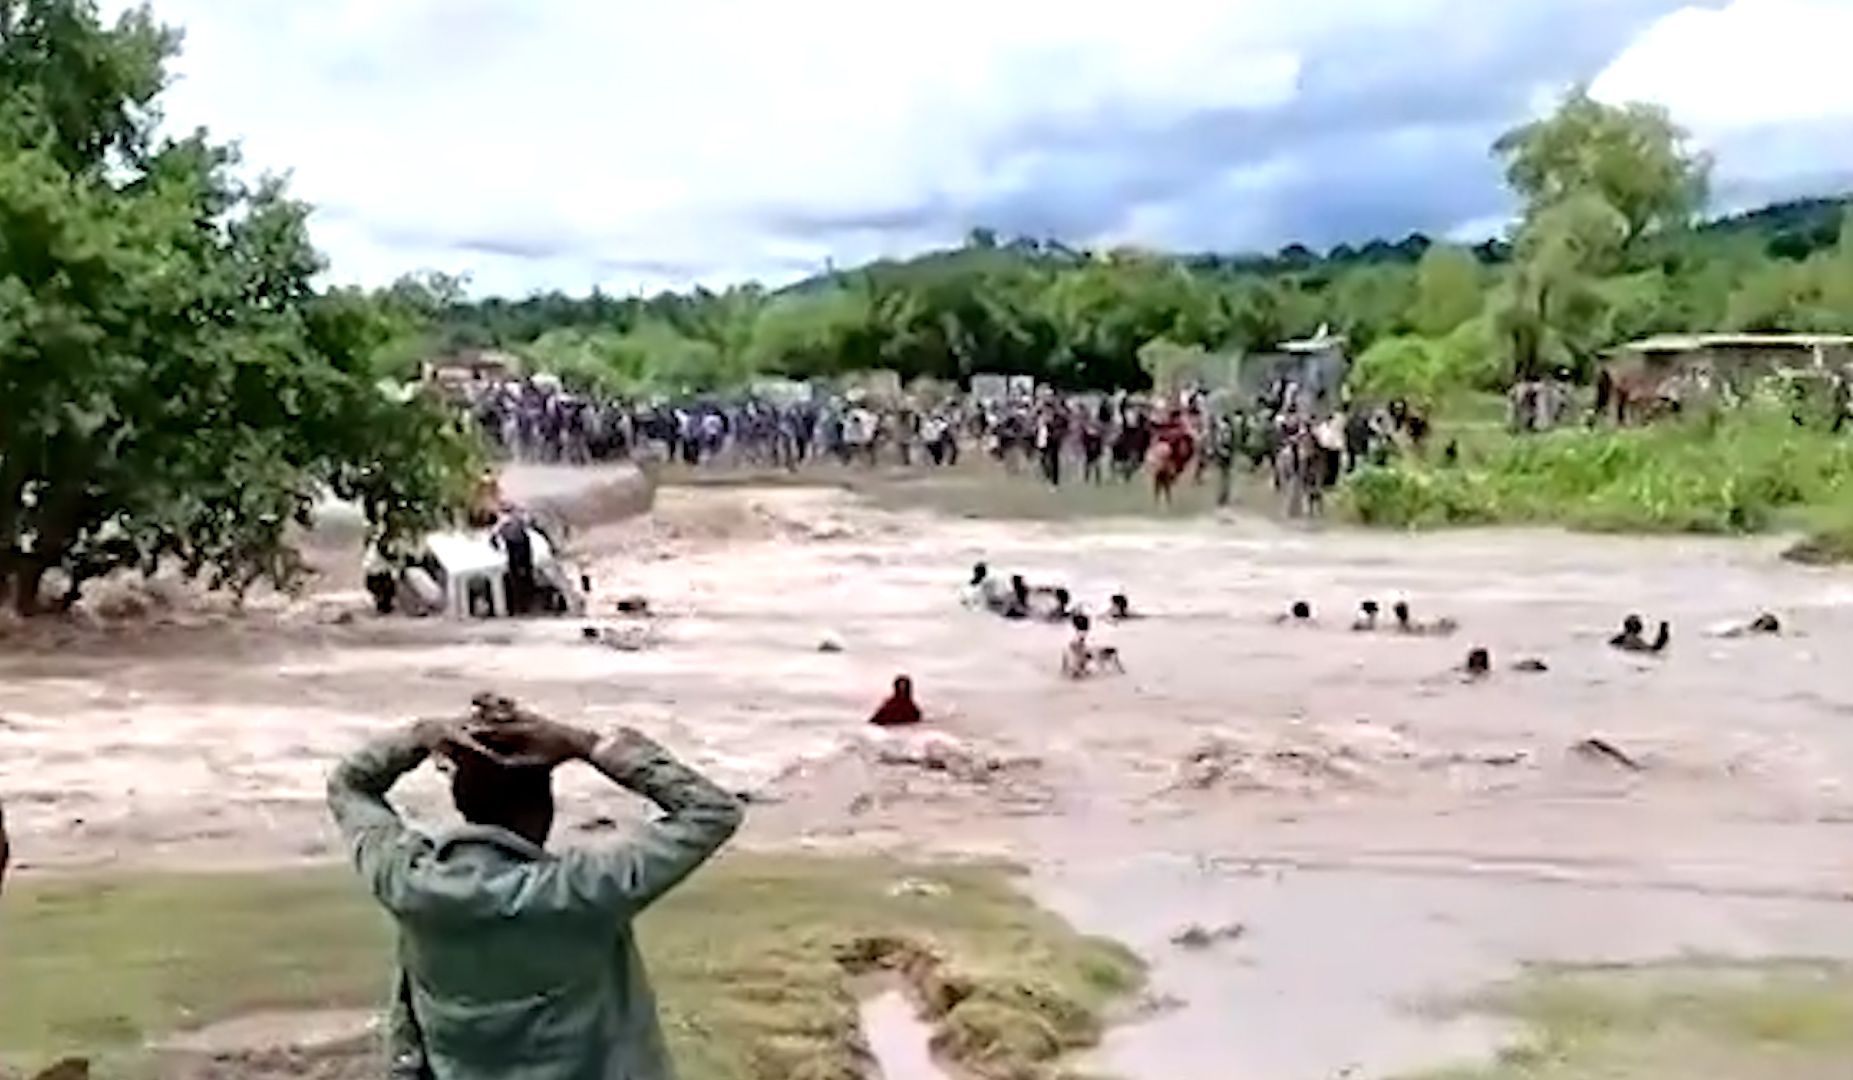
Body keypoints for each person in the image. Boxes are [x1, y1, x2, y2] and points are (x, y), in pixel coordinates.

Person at [327, 698, 743, 1080]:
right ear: (545, 809)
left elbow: (349, 784)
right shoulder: (583, 891)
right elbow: (711, 811)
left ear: (460, 800)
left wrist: (421, 736)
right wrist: (585, 744)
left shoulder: (409, 882)